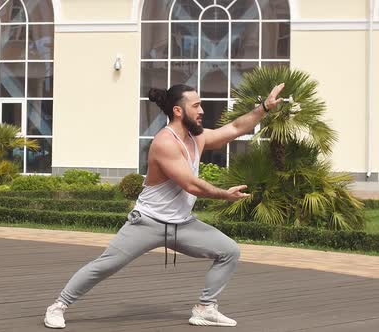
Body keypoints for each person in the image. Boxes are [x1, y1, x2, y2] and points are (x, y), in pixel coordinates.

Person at [44, 83, 285, 328]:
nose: (202, 110)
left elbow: (234, 128)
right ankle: (58, 305)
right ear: (178, 111)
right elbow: (191, 184)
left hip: (182, 224)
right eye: (196, 105)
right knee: (104, 266)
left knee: (229, 251)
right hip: (147, 222)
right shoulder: (164, 142)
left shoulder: (196, 137)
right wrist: (225, 194)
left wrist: (264, 108)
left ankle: (205, 308)